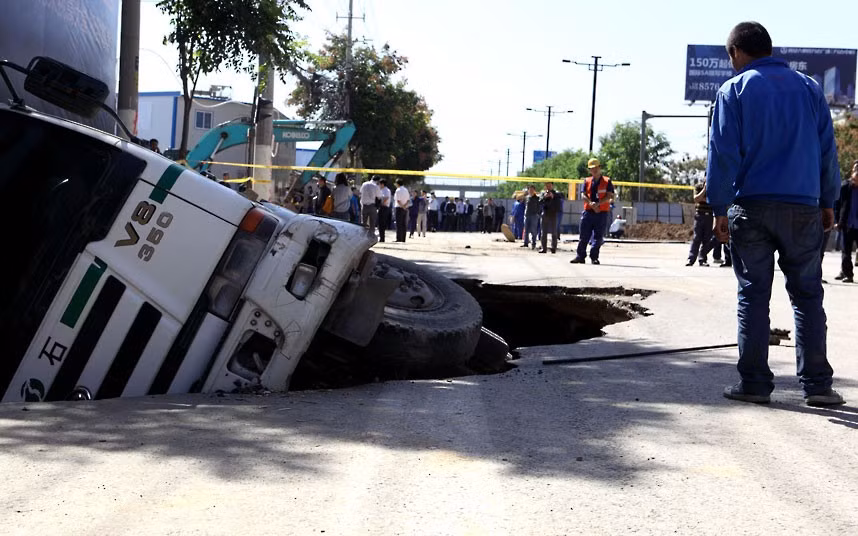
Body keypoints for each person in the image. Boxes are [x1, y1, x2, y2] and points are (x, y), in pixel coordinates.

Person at [707, 22, 843, 406]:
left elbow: (723, 153)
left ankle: (754, 384)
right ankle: (818, 387)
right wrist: (828, 200)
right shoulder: (808, 88)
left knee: (753, 295)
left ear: (735, 52)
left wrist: (718, 207)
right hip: (803, 207)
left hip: (750, 207)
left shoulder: (733, 89)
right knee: (807, 296)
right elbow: (826, 150)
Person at [571, 158, 615, 264]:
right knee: (583, 235)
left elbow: (609, 195)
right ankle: (580, 256)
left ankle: (594, 257)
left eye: (595, 168)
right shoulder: (586, 181)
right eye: (591, 169)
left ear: (599, 168)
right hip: (588, 212)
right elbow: (583, 194)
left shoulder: (607, 181)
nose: (594, 170)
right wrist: (591, 203)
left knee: (598, 236)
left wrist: (598, 204)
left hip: (601, 212)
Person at [834, 160, 858, 283]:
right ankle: (848, 274)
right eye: (855, 179)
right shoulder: (845, 187)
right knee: (846, 252)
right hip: (847, 224)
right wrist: (837, 220)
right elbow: (837, 205)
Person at [686, 180, 716, 266]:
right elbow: (696, 199)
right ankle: (691, 259)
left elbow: (714, 201)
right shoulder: (698, 187)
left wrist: (703, 199)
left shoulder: (714, 188)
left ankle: (702, 259)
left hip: (710, 216)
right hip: (699, 215)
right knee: (696, 238)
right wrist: (704, 190)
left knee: (707, 239)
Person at [538, 182, 561, 254]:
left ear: (552, 186)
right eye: (547, 185)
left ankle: (553, 248)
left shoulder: (557, 194)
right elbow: (539, 202)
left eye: (550, 185)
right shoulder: (543, 193)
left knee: (554, 232)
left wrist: (553, 197)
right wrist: (544, 197)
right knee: (543, 232)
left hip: (553, 214)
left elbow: (559, 204)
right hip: (545, 214)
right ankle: (543, 248)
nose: (548, 187)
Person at [522, 185, 540, 249]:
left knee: (533, 230)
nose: (531, 191)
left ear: (534, 190)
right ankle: (525, 243)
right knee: (526, 230)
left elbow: (539, 207)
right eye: (530, 189)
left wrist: (538, 214)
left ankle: (533, 243)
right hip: (527, 215)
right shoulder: (527, 197)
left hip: (534, 215)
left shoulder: (537, 198)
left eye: (532, 189)